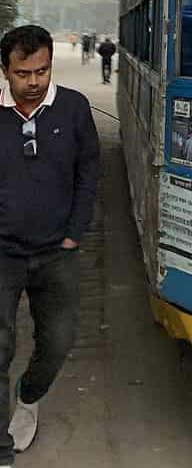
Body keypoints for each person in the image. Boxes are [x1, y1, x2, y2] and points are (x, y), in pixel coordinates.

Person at [0, 24, 100, 465]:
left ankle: (29, 394)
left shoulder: (74, 108)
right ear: (5, 70)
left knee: (58, 340)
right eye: (24, 73)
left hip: (56, 253)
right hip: (3, 254)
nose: (35, 81)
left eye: (42, 70)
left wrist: (75, 231)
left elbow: (89, 170)